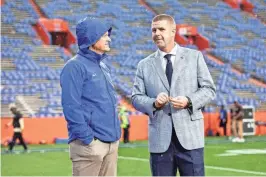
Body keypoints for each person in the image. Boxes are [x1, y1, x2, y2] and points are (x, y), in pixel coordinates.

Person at [131, 14, 216, 176]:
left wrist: (189, 101)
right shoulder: (144, 65)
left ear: (173, 31)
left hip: (190, 140)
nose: (156, 33)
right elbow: (136, 98)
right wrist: (154, 103)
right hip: (160, 142)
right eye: (153, 30)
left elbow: (209, 89)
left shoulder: (194, 57)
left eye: (161, 29)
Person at [60, 17, 121, 176]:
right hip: (90, 145)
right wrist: (88, 140)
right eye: (104, 35)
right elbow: (71, 107)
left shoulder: (103, 66)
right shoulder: (74, 67)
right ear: (91, 37)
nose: (109, 38)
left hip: (111, 143)